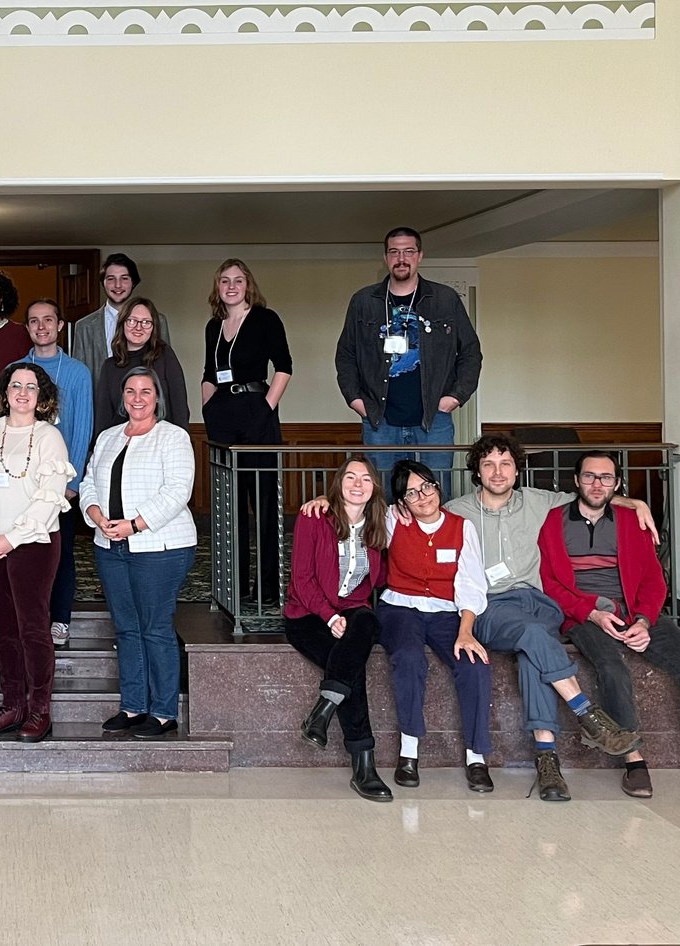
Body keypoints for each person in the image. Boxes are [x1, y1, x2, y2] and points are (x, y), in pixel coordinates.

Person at [442, 435, 647, 801]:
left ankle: (547, 761)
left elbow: (592, 497)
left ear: (517, 469)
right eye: (488, 464)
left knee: (532, 652)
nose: (498, 472)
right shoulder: (456, 511)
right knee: (534, 636)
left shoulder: (541, 502)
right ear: (477, 471)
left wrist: (634, 502)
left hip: (539, 603)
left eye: (505, 464)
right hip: (490, 606)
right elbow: (408, 518)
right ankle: (586, 713)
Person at [540, 452, 680, 802]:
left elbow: (653, 579)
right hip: (583, 615)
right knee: (611, 667)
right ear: (576, 481)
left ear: (616, 484)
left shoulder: (629, 520)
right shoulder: (554, 521)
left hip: (635, 611)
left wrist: (644, 620)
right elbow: (550, 583)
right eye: (589, 477)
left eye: (606, 478)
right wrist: (591, 613)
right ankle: (634, 763)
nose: (597, 484)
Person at [0, 363, 73, 742]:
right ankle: (12, 705)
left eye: (31, 387)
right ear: (4, 392)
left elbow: (49, 500)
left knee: (33, 629)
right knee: (3, 630)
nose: (23, 392)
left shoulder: (49, 436)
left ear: (42, 397)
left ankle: (39, 710)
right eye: (16, 385)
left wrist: (10, 539)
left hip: (33, 545)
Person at [81, 367, 196, 740]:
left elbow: (178, 492)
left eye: (146, 391)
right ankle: (133, 706)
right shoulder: (109, 437)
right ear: (122, 397)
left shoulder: (173, 437)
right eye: (130, 391)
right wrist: (96, 515)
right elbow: (88, 482)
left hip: (160, 547)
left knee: (155, 627)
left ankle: (163, 712)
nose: (137, 398)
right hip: (110, 544)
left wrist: (135, 524)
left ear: (157, 397)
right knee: (126, 628)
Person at [335, 227, 481, 494]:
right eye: (394, 252)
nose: (401, 258)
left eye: (408, 251)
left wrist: (455, 397)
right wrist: (357, 401)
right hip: (380, 420)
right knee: (381, 498)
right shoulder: (364, 301)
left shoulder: (445, 299)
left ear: (420, 256)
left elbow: (471, 352)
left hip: (433, 419)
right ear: (386, 257)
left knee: (434, 496)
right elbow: (345, 355)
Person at [377, 459, 492, 793]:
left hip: (446, 610)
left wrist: (466, 630)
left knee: (474, 664)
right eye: (412, 493)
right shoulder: (393, 520)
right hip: (400, 606)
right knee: (409, 657)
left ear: (437, 486)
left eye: (426, 486)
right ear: (402, 502)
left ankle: (476, 757)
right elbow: (357, 524)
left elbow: (472, 584)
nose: (422, 496)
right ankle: (409, 752)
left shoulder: (461, 527)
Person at [283, 457, 391, 802]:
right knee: (350, 668)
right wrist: (329, 617)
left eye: (366, 479)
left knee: (368, 621)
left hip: (353, 610)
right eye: (350, 477)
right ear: (338, 483)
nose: (358, 484)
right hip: (307, 615)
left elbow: (384, 577)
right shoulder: (314, 517)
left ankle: (323, 711)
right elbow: (302, 580)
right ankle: (364, 766)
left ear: (375, 488)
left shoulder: (380, 525)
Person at [200, 259, 293, 605]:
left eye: (238, 280)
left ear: (248, 284)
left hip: (257, 411)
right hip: (222, 415)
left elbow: (284, 367)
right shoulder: (214, 326)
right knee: (230, 506)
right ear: (218, 287)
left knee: (265, 505)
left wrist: (266, 409)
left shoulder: (266, 319)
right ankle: (235, 587)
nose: (232, 286)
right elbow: (209, 372)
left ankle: (267, 589)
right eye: (225, 280)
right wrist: (209, 409)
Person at [22, 299, 93, 647]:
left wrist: (72, 482)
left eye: (48, 320)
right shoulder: (18, 369)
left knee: (60, 553)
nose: (41, 327)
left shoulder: (78, 372)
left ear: (60, 325)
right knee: (25, 553)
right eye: (34, 321)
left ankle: (60, 619)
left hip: (61, 483)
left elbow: (82, 428)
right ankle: (31, 617)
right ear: (28, 328)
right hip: (24, 481)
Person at [72, 253, 171, 389]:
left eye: (124, 278)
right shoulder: (84, 327)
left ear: (133, 282)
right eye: (111, 279)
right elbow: (79, 379)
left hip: (144, 404)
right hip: (100, 405)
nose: (117, 285)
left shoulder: (157, 321)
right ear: (103, 282)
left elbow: (166, 371)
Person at [93, 297, 190, 435]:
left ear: (153, 327)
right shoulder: (110, 366)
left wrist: (181, 442)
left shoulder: (164, 355)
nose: (138, 327)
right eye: (132, 321)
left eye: (146, 322)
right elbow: (103, 416)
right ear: (122, 324)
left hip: (162, 442)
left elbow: (179, 405)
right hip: (122, 442)